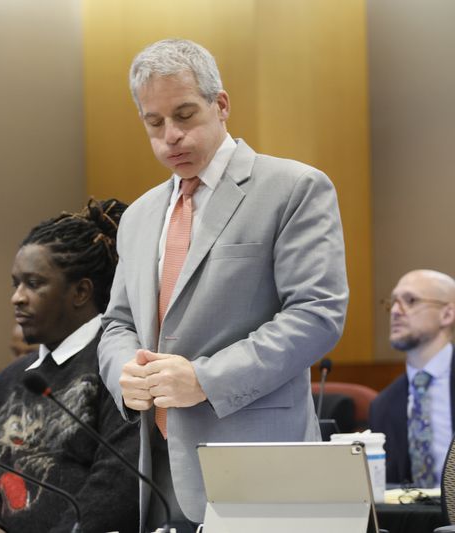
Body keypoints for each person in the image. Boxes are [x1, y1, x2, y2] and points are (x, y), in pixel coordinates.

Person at [97, 39, 348, 530]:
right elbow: (117, 324)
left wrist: (205, 380)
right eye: (154, 123)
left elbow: (316, 315)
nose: (171, 136)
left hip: (261, 464)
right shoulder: (140, 215)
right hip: (160, 467)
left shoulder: (294, 188)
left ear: (222, 105)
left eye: (185, 115)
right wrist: (125, 373)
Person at [0, 199, 140, 533]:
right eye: (15, 283)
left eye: (33, 283)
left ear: (81, 292)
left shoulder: (118, 365)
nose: (17, 297)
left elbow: (116, 487)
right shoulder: (8, 380)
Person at [369, 269, 455, 487]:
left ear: (447, 314)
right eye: (393, 302)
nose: (396, 311)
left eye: (410, 300)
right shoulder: (383, 405)